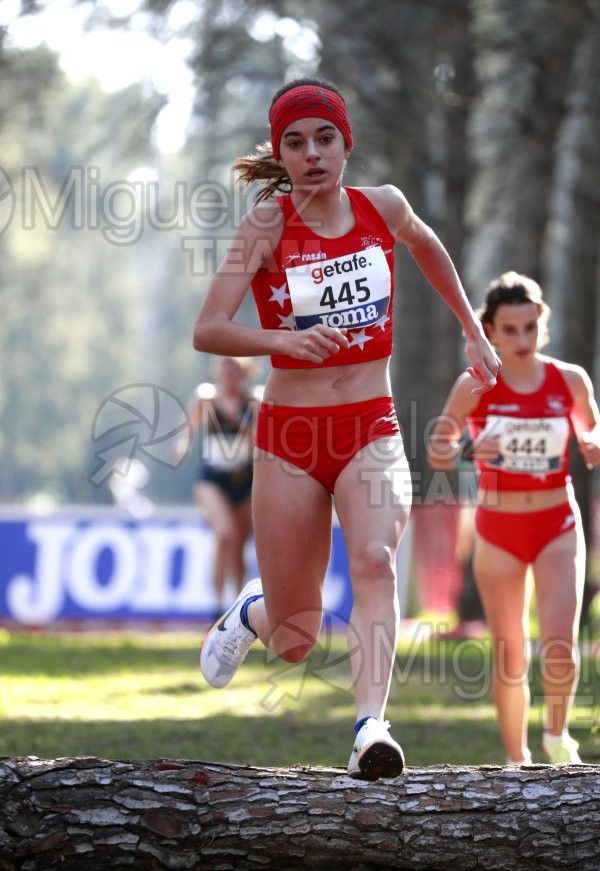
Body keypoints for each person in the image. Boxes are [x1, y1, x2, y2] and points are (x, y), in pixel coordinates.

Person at [194, 77, 500, 779]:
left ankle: (370, 727)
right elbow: (208, 329)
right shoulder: (268, 224)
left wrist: (469, 329)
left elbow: (425, 245)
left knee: (375, 561)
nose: (311, 154)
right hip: (292, 439)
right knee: (297, 638)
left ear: (346, 143)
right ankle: (254, 613)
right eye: (295, 143)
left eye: (324, 138)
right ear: (280, 153)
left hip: (370, 424)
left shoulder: (381, 206)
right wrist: (282, 344)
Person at [427, 271, 600, 765]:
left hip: (556, 524)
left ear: (541, 326)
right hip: (498, 529)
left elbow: (593, 425)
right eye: (510, 329)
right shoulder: (475, 385)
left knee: (560, 643)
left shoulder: (569, 380)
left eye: (530, 327)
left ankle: (557, 738)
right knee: (509, 654)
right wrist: (469, 448)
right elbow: (437, 450)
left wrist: (591, 443)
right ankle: (517, 763)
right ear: (489, 331)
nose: (521, 340)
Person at [188, 356, 263, 612]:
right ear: (218, 373)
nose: (229, 378)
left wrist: (245, 426)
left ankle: (237, 606)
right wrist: (180, 446)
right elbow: (188, 428)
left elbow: (260, 442)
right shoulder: (207, 399)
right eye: (225, 371)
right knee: (224, 533)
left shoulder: (253, 402)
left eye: (235, 372)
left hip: (243, 479)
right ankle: (216, 603)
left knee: (239, 546)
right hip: (213, 479)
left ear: (244, 375)